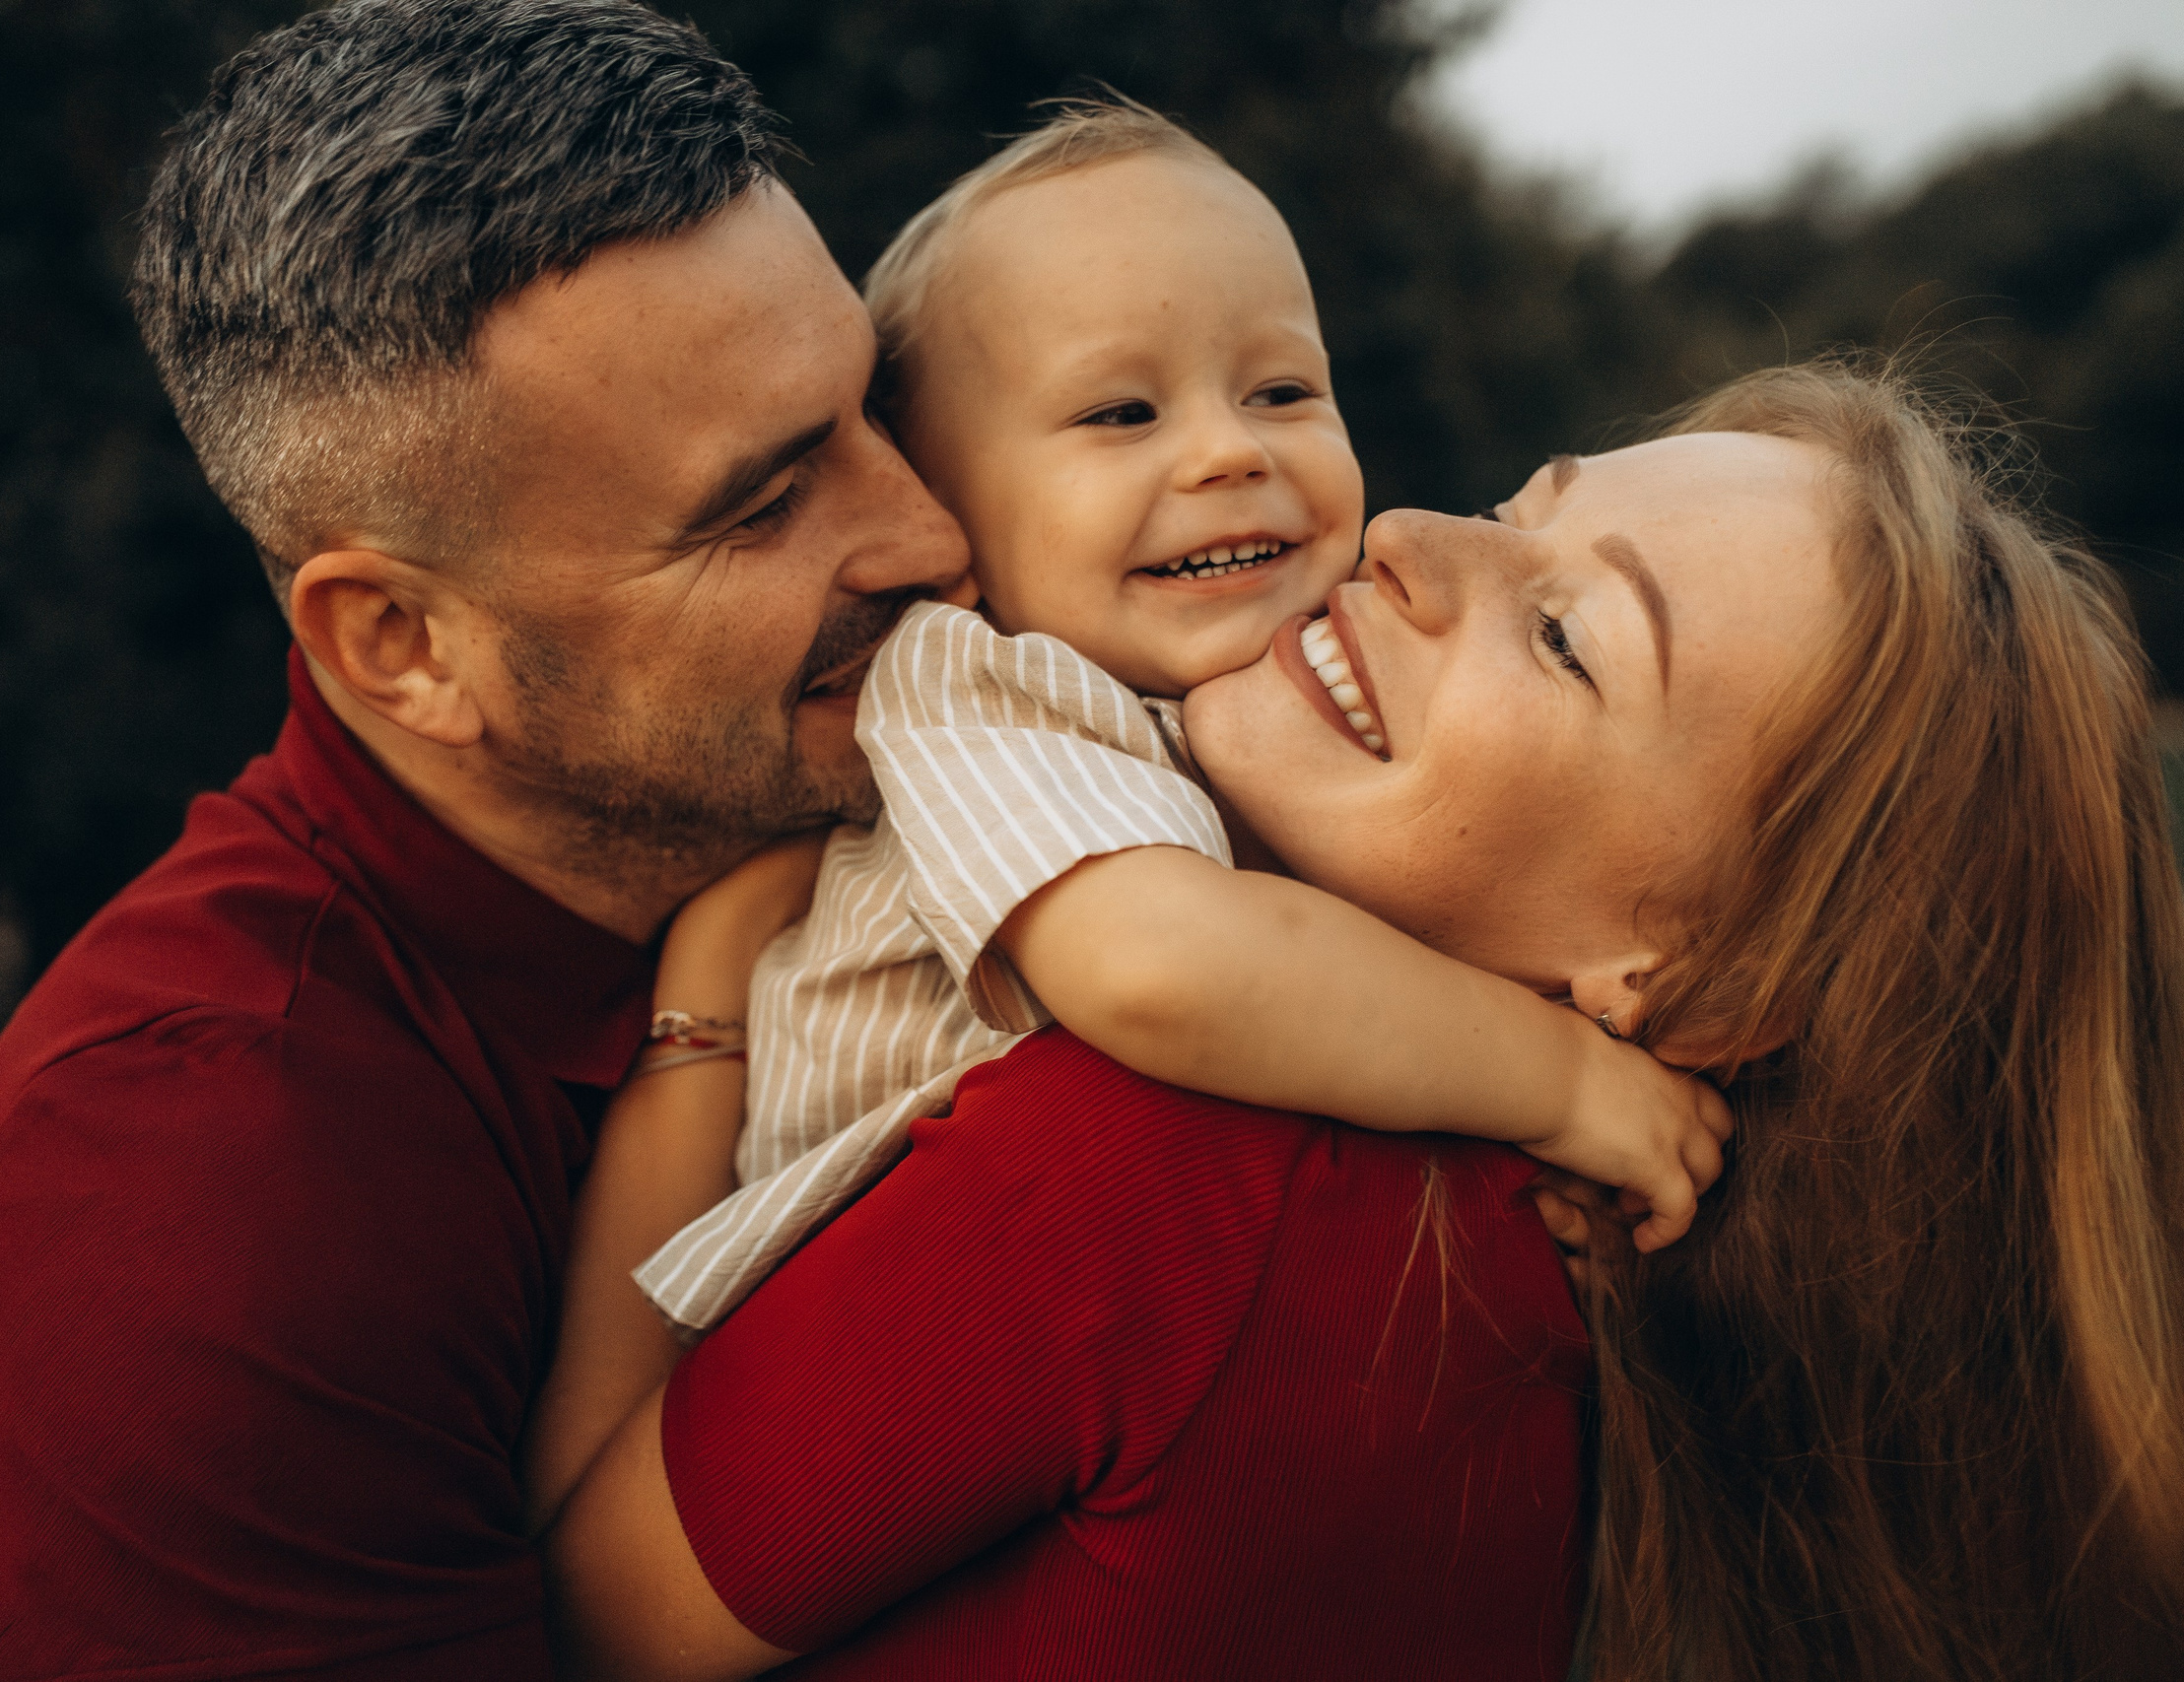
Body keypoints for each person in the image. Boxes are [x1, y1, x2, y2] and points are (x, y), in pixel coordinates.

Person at [543, 361, 2184, 1681]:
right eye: (1517, 508)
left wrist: (704, 1002)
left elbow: (568, 1617)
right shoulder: (1587, 1308)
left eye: (1565, 638)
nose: (1404, 532)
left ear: (1706, 988)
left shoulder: (1170, 1170)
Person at [0, 4, 967, 1678]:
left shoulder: (900, 821)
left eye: (877, 404)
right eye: (762, 507)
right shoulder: (197, 1208)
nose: (932, 534)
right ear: (403, 644)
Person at [523, 100, 1728, 1521]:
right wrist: (1560, 1085)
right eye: (1120, 414)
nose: (1228, 452)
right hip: (813, 1360)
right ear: (947, 513)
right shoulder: (979, 690)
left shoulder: (1288, 708)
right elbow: (1163, 969)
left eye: (1281, 390)